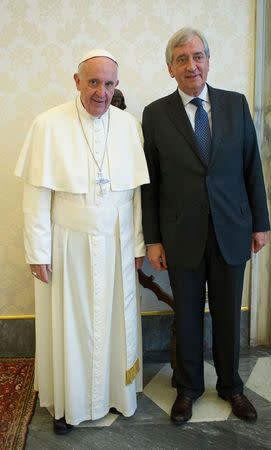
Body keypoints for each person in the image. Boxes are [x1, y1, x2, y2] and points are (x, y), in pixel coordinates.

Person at [15, 49, 149, 434]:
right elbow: (36, 195)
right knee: (70, 324)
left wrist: (137, 244)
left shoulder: (128, 126)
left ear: (116, 86)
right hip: (67, 246)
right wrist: (37, 250)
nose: (101, 93)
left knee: (113, 322)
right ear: (77, 81)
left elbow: (136, 194)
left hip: (117, 244)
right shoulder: (48, 125)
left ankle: (116, 396)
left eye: (109, 84)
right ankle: (68, 404)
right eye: (93, 82)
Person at [141, 28, 270, 424]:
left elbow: (252, 168)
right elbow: (151, 182)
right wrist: (153, 239)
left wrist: (260, 223)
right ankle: (188, 388)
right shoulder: (156, 114)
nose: (191, 65)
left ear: (209, 61)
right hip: (181, 234)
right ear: (170, 68)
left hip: (233, 228)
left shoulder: (235, 104)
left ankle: (232, 386)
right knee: (189, 314)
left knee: (229, 313)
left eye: (197, 56)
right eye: (181, 59)